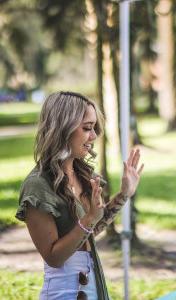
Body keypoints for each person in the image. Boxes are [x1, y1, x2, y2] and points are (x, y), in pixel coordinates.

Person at [15, 91, 144, 300]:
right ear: (63, 129)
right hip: (63, 293)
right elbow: (54, 258)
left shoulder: (83, 175)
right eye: (87, 128)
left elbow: (89, 233)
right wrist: (88, 219)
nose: (93, 136)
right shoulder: (37, 186)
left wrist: (124, 194)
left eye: (94, 128)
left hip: (93, 288)